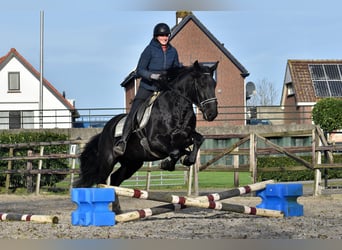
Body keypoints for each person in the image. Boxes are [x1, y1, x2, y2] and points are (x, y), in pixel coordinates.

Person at [114, 23, 181, 155]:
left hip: (164, 89)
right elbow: (140, 70)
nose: (164, 37)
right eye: (161, 35)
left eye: (166, 35)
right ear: (156, 36)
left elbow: (176, 68)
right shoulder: (149, 50)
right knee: (134, 112)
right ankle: (123, 141)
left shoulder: (173, 52)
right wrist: (152, 75)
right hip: (148, 87)